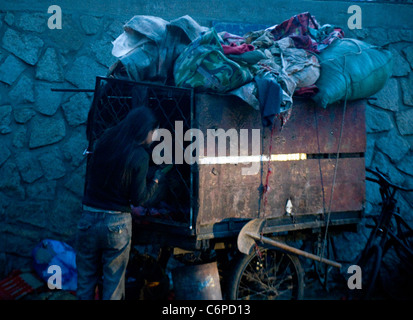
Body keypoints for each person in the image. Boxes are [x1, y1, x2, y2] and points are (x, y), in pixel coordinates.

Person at [76, 106, 163, 300]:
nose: (156, 135)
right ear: (145, 130)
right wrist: (156, 181)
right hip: (116, 226)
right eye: (155, 130)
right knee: (113, 285)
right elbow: (138, 199)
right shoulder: (140, 156)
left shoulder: (104, 141)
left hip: (88, 218)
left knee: (85, 282)